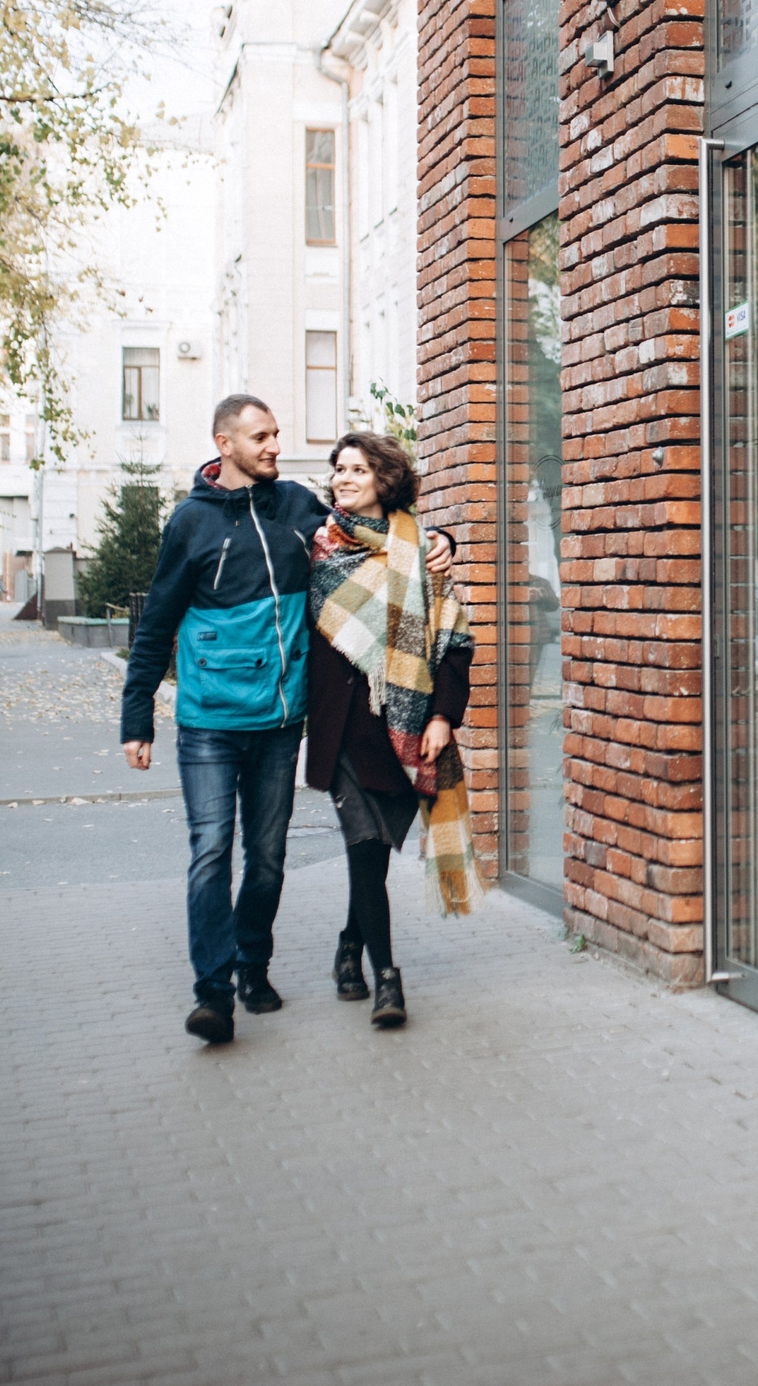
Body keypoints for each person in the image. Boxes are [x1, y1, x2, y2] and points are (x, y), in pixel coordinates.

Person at [120, 395, 453, 1046]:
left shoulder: (299, 507)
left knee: (267, 858)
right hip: (209, 722)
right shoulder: (190, 522)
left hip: (277, 722)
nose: (276, 445)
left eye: (276, 434)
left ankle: (252, 965)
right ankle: (213, 993)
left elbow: (377, 530)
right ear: (225, 444)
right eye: (261, 436)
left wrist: (440, 540)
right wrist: (138, 718)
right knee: (212, 852)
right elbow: (156, 623)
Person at [306, 432, 475, 1030]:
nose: (343, 478)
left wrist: (440, 717)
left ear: (385, 479)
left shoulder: (422, 552)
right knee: (362, 847)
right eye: (338, 469)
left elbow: (455, 644)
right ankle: (387, 979)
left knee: (372, 857)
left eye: (357, 469)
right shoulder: (320, 544)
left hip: (400, 731)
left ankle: (350, 946)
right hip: (340, 731)